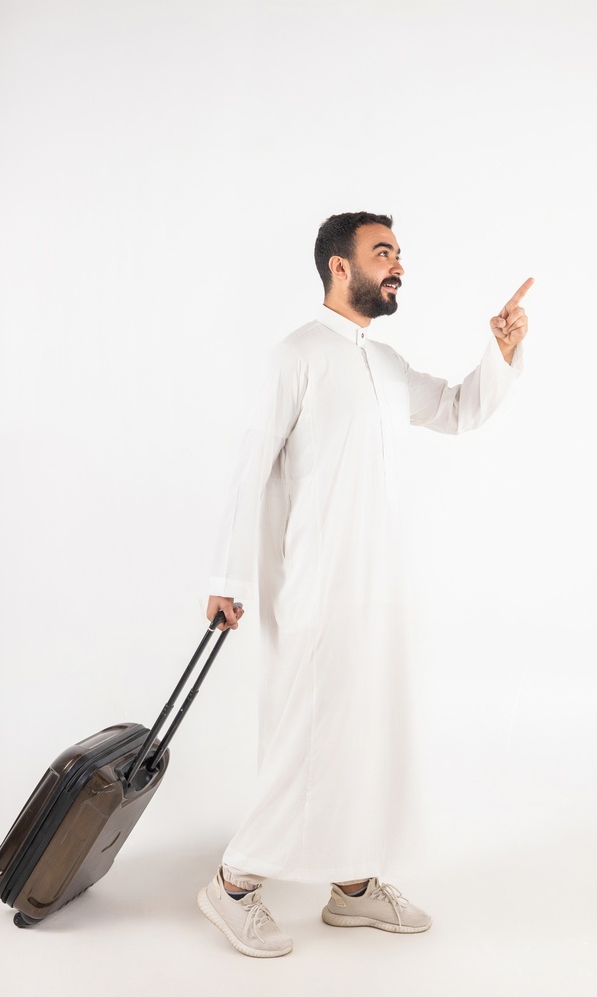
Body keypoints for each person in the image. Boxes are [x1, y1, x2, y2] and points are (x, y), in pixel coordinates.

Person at [197, 212, 532, 958]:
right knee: (307, 737)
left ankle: (350, 888)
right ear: (338, 268)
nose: (397, 266)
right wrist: (225, 576)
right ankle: (231, 885)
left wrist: (499, 353)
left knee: (363, 732)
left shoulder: (382, 364)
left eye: (398, 254)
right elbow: (250, 465)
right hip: (313, 585)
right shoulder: (296, 356)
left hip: (376, 588)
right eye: (383, 253)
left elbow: (454, 409)